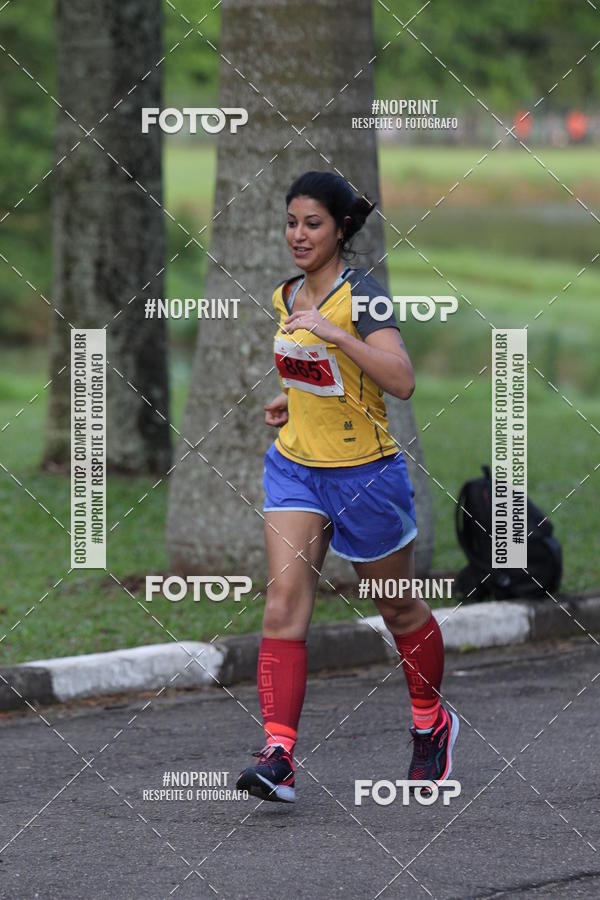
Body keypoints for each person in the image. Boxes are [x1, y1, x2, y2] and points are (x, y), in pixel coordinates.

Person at [236, 171, 458, 803]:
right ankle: (279, 755)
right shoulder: (286, 296)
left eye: (313, 224)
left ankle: (430, 722)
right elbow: (322, 376)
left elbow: (401, 379)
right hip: (297, 467)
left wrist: (335, 332)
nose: (298, 235)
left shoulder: (365, 296)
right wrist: (291, 398)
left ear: (340, 230)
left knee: (397, 608)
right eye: (291, 222)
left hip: (365, 475)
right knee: (283, 606)